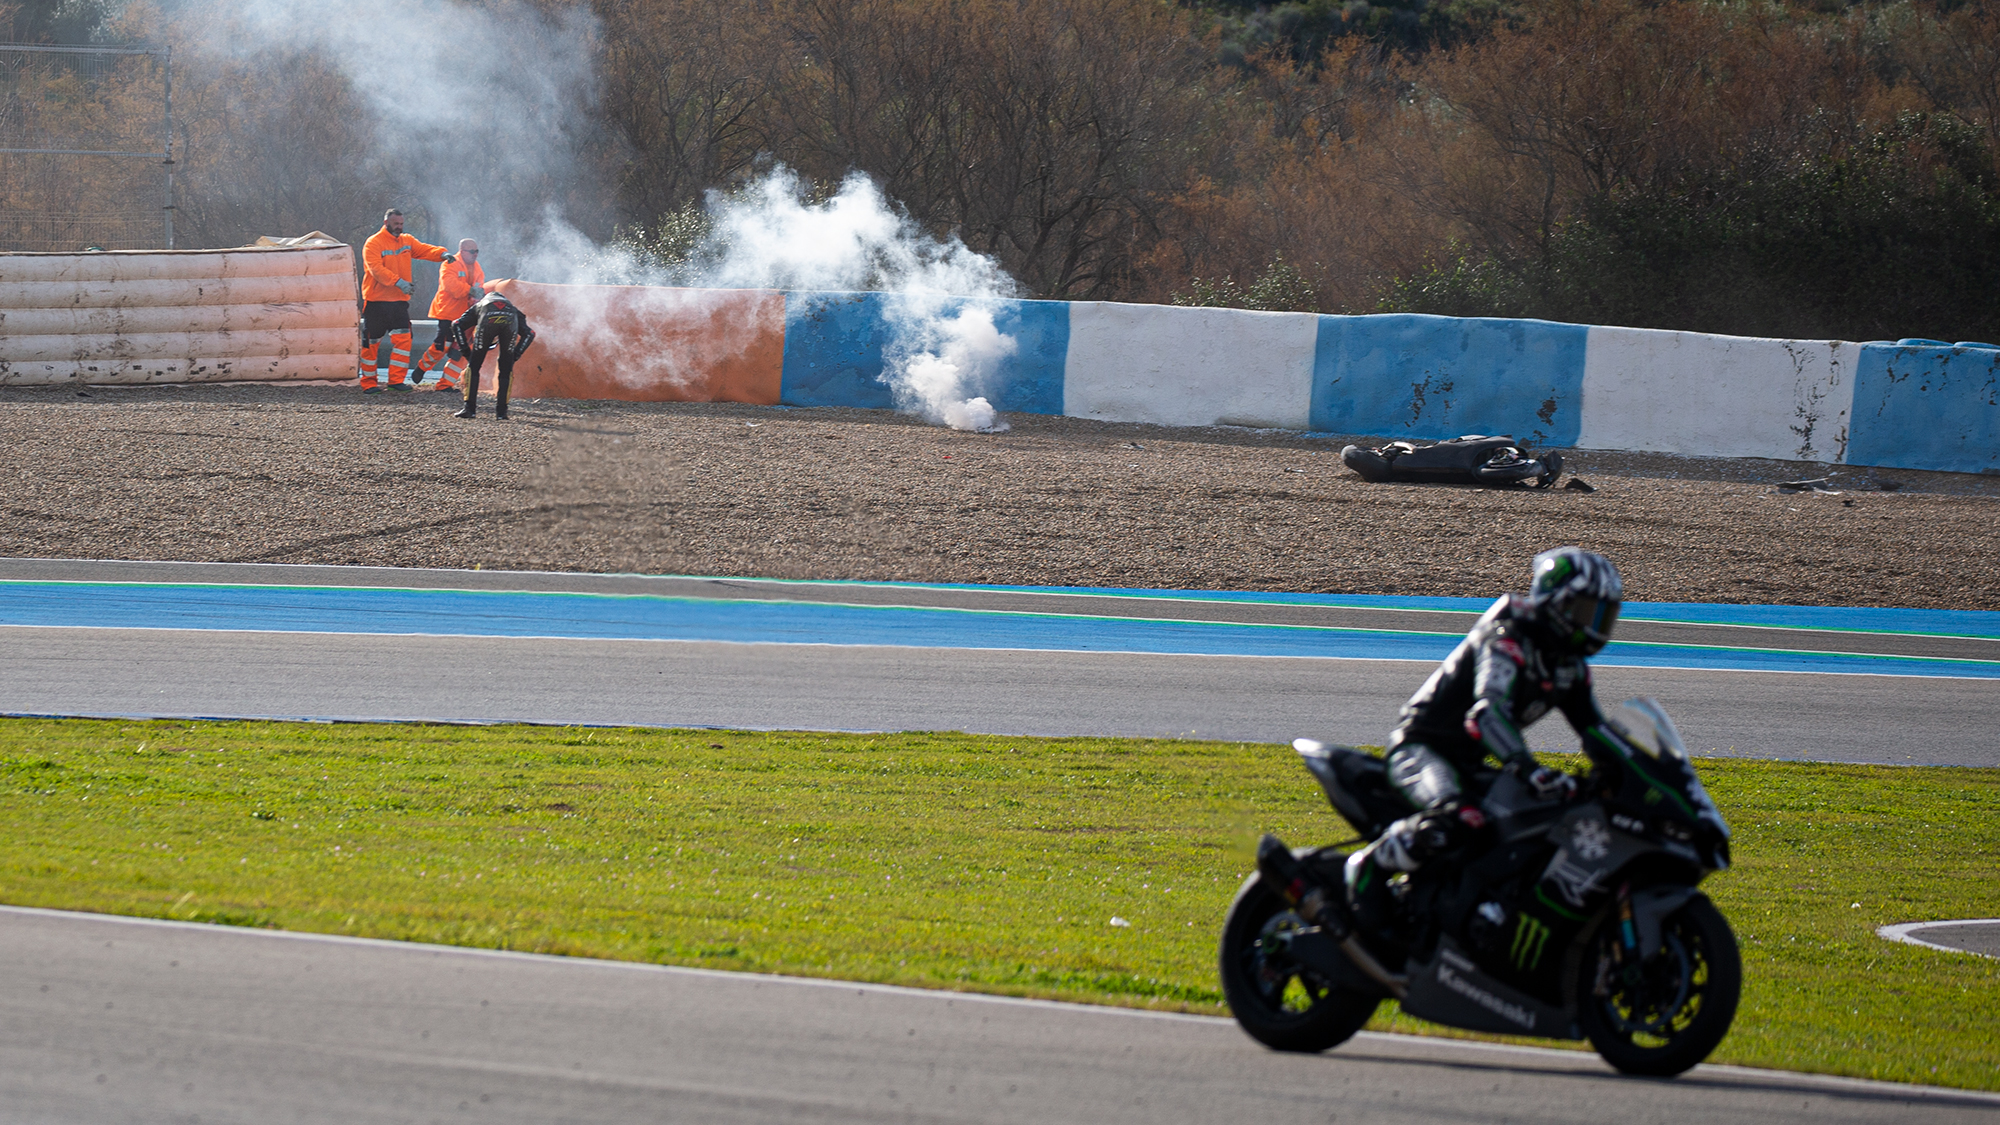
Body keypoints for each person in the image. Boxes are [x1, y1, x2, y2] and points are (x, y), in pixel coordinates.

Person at [1259, 547, 1625, 932]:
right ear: (1557, 603)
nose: (1596, 627)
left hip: (1467, 763)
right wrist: (1527, 767)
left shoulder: (1568, 667)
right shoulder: (1508, 636)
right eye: (1587, 613)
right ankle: (1366, 868)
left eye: (1604, 616)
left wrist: (1637, 770)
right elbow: (1487, 713)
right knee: (1458, 817)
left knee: (1531, 822)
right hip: (1421, 749)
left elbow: (1596, 731)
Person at [358, 208, 452, 393]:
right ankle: (369, 383)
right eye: (396, 224)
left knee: (403, 341)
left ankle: (395, 381)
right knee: (372, 343)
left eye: (401, 224)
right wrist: (398, 282)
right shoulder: (373, 243)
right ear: (386, 223)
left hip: (398, 303)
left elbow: (423, 250)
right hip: (376, 302)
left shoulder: (406, 240)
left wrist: (442, 254)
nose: (399, 227)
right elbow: (375, 269)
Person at [450, 291, 536, 420]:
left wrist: (466, 352)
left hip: (486, 320)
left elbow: (456, 325)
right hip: (509, 320)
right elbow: (530, 333)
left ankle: (469, 410)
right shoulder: (513, 308)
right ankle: (502, 413)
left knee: (473, 367)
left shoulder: (479, 305)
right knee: (506, 370)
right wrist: (515, 356)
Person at [413, 238, 483, 393]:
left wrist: (475, 295)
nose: (475, 254)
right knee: (442, 345)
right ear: (462, 251)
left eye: (477, 251)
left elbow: (479, 288)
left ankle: (445, 385)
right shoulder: (450, 263)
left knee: (462, 352)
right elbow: (451, 286)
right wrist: (470, 290)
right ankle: (422, 367)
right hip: (448, 313)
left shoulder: (477, 268)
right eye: (472, 251)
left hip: (466, 317)